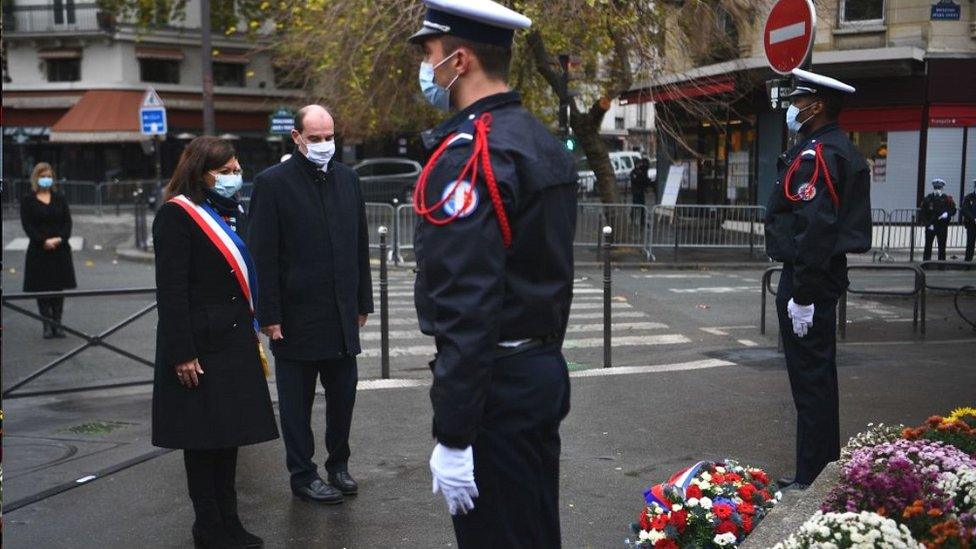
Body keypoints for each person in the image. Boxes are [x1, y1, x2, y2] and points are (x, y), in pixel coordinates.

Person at [408, 1, 577, 546]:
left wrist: (454, 434)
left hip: (495, 390)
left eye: (430, 55)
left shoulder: (471, 155)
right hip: (537, 370)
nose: (426, 70)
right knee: (531, 529)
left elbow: (466, 304)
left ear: (459, 61)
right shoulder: (537, 139)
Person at [151, 136, 278, 548]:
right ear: (199, 172)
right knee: (202, 441)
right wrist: (182, 352)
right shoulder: (177, 215)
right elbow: (171, 292)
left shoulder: (229, 212)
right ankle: (208, 525)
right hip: (200, 346)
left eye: (236, 170)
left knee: (229, 437)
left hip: (233, 340)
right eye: (224, 172)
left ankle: (230, 521)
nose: (233, 178)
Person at [247, 105, 373, 504]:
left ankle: (339, 464)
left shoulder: (349, 180)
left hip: (339, 314)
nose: (323, 145)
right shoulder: (273, 183)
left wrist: (362, 302)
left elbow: (359, 245)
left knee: (343, 398)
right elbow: (262, 255)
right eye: (315, 138)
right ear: (297, 138)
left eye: (329, 137)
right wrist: (269, 316)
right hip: (296, 317)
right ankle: (303, 474)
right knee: (296, 407)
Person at [764, 68, 872, 490]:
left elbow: (815, 227)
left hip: (810, 276)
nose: (792, 108)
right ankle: (820, 468)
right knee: (817, 380)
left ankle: (813, 475)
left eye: (797, 101)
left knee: (810, 382)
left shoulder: (819, 154)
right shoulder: (830, 148)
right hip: (820, 274)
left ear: (817, 105)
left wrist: (803, 295)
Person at [20, 162, 76, 339]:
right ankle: (46, 324)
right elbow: (27, 225)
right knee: (43, 288)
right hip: (39, 250)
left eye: (49, 176)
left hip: (59, 250)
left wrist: (59, 239)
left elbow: (67, 222)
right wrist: (43, 241)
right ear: (36, 178)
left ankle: (57, 324)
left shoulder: (60, 198)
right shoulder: (28, 200)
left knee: (57, 288)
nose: (46, 179)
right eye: (43, 176)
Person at [920, 178, 957, 261]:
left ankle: (941, 264)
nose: (937, 190)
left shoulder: (947, 198)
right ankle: (926, 263)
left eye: (939, 188)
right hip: (931, 226)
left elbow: (953, 209)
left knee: (942, 246)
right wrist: (928, 224)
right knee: (928, 246)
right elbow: (922, 213)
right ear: (933, 188)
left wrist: (947, 214)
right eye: (936, 188)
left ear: (942, 188)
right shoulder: (928, 198)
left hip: (942, 226)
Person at [630, 157, 651, 224]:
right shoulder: (634, 172)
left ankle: (642, 220)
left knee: (642, 207)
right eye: (638, 164)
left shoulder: (642, 171)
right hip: (636, 192)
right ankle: (632, 219)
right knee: (635, 206)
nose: (639, 165)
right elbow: (635, 180)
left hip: (641, 191)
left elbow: (645, 180)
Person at [962, 179, 976, 262]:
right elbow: (965, 210)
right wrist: (973, 218)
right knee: (970, 244)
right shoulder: (969, 197)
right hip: (971, 225)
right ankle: (967, 263)